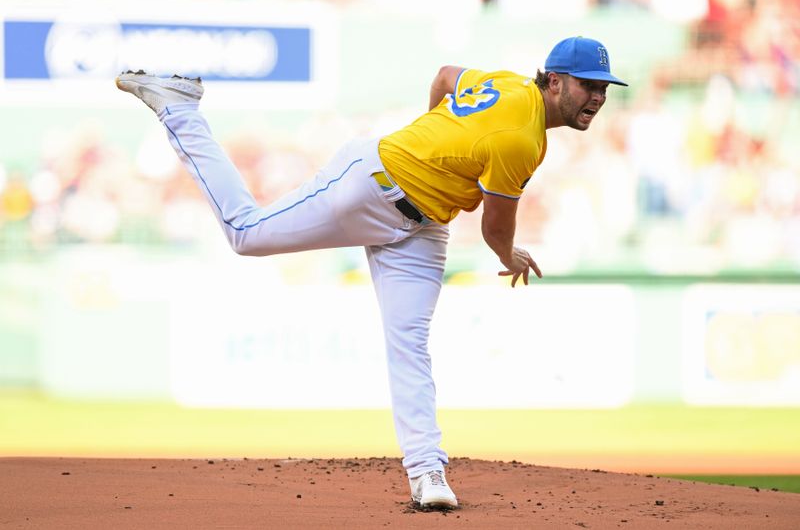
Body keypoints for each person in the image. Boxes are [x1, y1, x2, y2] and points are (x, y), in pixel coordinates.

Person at [116, 35, 627, 509]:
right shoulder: (521, 137)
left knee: (408, 343)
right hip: (368, 188)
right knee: (245, 234)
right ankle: (181, 108)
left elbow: (447, 75)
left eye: (603, 87)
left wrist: (435, 132)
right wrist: (509, 256)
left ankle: (428, 474)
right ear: (555, 81)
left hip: (424, 227)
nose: (598, 97)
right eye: (588, 84)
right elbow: (496, 230)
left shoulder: (508, 83)